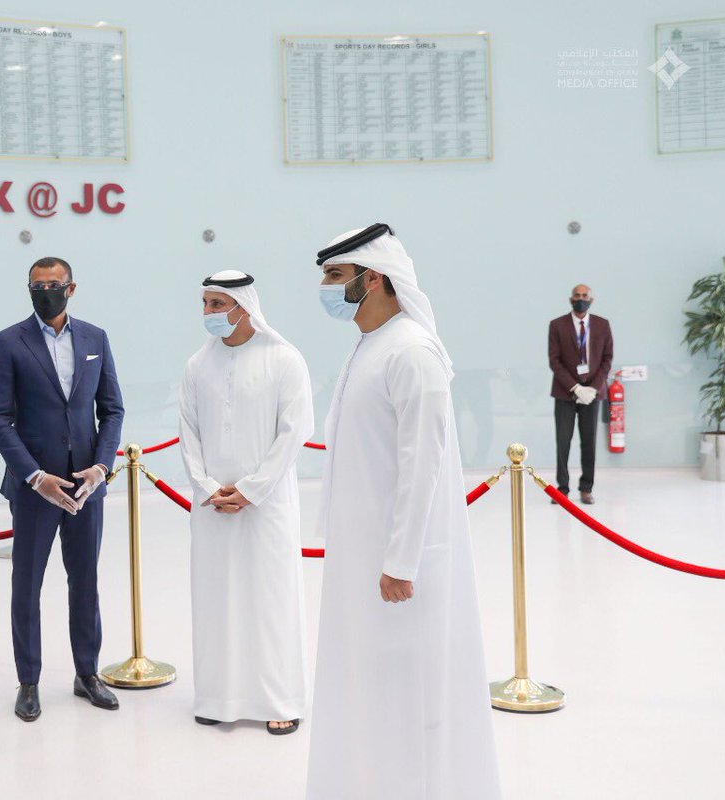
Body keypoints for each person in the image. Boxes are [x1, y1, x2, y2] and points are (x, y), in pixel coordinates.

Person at [306, 224, 500, 799]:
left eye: (335, 275)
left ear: (373, 278)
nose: (325, 286)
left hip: (397, 566)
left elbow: (423, 465)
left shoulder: (411, 351)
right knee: (366, 682)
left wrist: (401, 561)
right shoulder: (371, 344)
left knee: (406, 691)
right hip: (360, 552)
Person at [0, 256, 124, 722]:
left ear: (71, 288)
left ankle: (87, 673)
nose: (45, 292)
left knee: (85, 582)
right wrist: (34, 476)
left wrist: (101, 466)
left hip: (85, 485)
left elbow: (112, 409)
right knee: (27, 585)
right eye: (36, 286)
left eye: (53, 285)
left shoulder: (95, 339)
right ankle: (28, 681)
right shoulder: (8, 342)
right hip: (34, 488)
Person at [177, 270, 312, 735]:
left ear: (243, 306)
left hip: (267, 506)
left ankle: (280, 699)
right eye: (205, 304)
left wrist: (253, 489)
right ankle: (218, 698)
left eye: (217, 304)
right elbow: (188, 433)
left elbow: (295, 431)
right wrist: (206, 487)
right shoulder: (198, 365)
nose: (208, 313)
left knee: (270, 600)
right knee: (216, 599)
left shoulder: (284, 359)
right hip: (211, 507)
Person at [549, 284, 613, 504]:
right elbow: (555, 361)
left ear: (591, 300)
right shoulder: (557, 325)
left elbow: (607, 359)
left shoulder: (602, 325)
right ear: (571, 299)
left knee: (589, 442)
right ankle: (562, 489)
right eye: (577, 295)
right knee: (563, 442)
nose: (581, 299)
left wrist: (593, 388)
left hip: (592, 394)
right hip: (565, 393)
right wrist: (575, 388)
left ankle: (586, 488)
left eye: (585, 296)